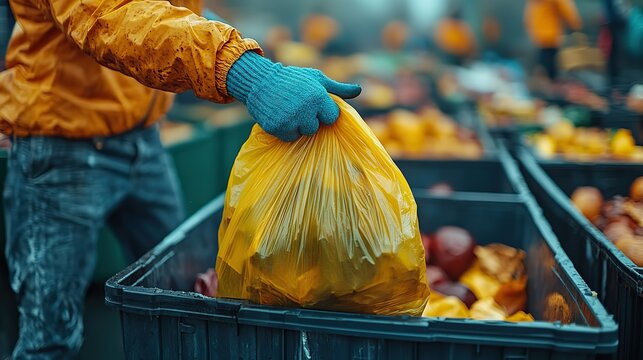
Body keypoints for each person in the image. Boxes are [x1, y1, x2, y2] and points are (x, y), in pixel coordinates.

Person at [0, 0, 361, 357]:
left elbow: (169, 7)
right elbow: (113, 15)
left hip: (144, 137)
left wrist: (251, 54)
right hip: (60, 146)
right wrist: (245, 70)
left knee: (178, 299)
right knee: (49, 338)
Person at [524, 0, 583, 80]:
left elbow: (528, 16)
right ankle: (551, 83)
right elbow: (565, 9)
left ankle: (543, 82)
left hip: (539, 35)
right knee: (551, 67)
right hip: (550, 35)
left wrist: (531, 31)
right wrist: (576, 25)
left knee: (543, 63)